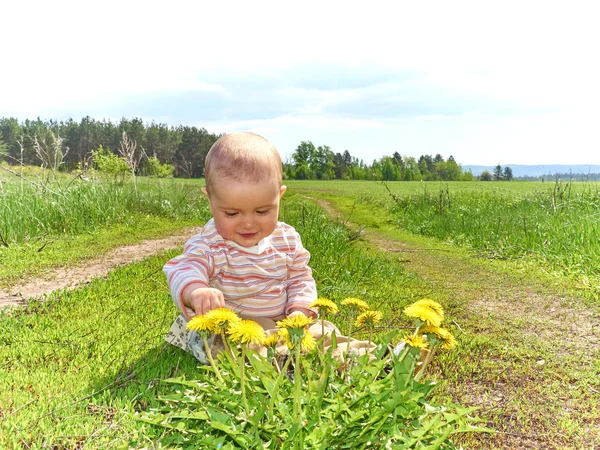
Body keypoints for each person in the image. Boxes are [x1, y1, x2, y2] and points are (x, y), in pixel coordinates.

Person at [163, 132, 318, 361]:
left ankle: (364, 356)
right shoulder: (210, 243)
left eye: (262, 211)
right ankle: (277, 358)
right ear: (211, 201)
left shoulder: (287, 240)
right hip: (232, 326)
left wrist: (299, 311)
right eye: (232, 213)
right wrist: (196, 290)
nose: (248, 223)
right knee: (217, 342)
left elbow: (300, 280)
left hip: (280, 323)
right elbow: (183, 268)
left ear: (279, 196)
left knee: (325, 331)